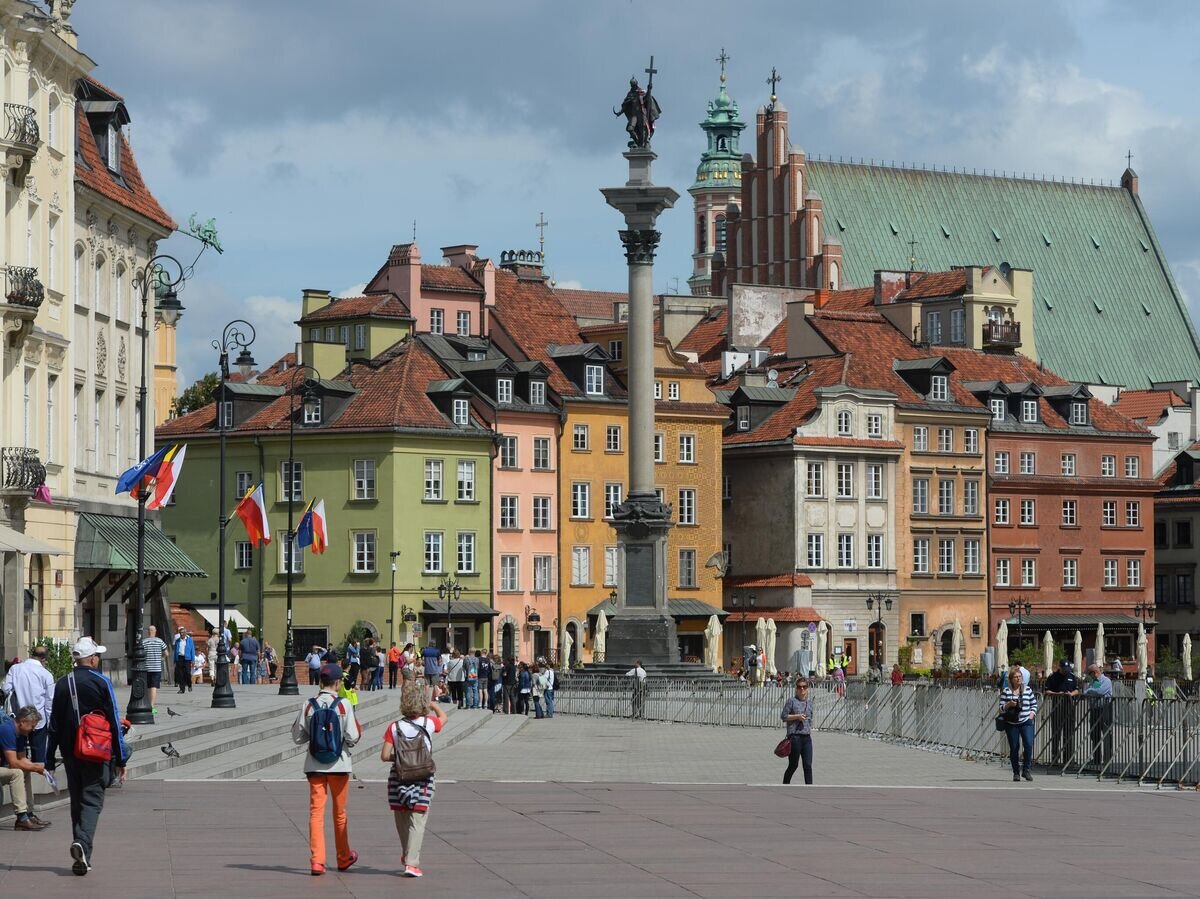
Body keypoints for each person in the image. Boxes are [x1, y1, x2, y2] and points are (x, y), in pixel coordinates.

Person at [45, 637, 130, 876]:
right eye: (97, 656)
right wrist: (121, 759)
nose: (98, 659)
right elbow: (113, 720)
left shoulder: (63, 683)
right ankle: (82, 844)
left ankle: (81, 856)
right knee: (92, 800)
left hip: (70, 752)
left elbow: (54, 725)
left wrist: (49, 761)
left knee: (77, 801)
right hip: (96, 751)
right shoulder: (101, 681)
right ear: (91, 658)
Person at [292, 662, 360, 876]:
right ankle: (343, 856)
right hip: (339, 765)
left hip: (314, 765)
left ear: (320, 681)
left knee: (316, 813)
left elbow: (297, 737)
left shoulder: (309, 705)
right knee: (340, 814)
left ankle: (317, 861)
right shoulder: (343, 705)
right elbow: (353, 737)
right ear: (338, 683)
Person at [381, 683, 448, 878]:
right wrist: (433, 703)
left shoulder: (394, 727)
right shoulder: (428, 723)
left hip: (399, 777)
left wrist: (402, 757)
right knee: (418, 819)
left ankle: (406, 855)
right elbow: (444, 718)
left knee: (401, 818)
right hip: (423, 776)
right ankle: (411, 863)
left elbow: (384, 756)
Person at [2, 645, 54, 821]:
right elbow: (50, 702)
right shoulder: (46, 675)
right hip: (37, 720)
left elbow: (6, 689)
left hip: (20, 714)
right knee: (27, 765)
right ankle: (25, 815)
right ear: (44, 659)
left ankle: (28, 813)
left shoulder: (16, 669)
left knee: (25, 765)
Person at [1, 705, 48, 830]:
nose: (33, 729)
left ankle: (29, 813)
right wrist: (35, 768)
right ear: (23, 722)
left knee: (25, 771)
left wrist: (37, 766)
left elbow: (22, 759)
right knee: (17, 773)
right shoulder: (7, 730)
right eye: (32, 726)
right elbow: (13, 763)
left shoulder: (21, 733)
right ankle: (21, 818)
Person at [998, 666, 1038, 782]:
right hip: (1012, 723)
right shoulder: (1006, 692)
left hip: (1026, 721)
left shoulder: (1027, 690)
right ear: (1011, 679)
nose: (1018, 679)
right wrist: (1008, 705)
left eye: (1020, 677)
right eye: (1016, 677)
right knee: (1014, 748)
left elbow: (1034, 704)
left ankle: (1026, 770)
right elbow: (1000, 709)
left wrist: (1032, 714)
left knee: (1029, 744)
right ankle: (1016, 772)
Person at [1044, 659, 1080, 767]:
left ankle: (1068, 758)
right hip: (1057, 707)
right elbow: (1046, 691)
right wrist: (1057, 694)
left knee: (1068, 733)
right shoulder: (1052, 677)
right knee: (1056, 733)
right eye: (1064, 669)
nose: (1065, 671)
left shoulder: (1072, 676)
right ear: (1059, 667)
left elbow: (1077, 690)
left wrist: (1071, 694)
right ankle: (1055, 757)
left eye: (1067, 669)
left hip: (1069, 707)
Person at [780, 678, 815, 785]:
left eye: (804, 687)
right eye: (799, 687)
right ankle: (785, 784)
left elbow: (811, 718)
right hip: (795, 737)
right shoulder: (791, 701)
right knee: (793, 765)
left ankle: (810, 788)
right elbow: (784, 716)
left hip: (806, 737)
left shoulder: (809, 703)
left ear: (807, 689)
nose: (802, 689)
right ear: (796, 689)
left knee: (808, 765)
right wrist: (797, 717)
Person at [1084, 662, 1114, 768]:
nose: (1089, 676)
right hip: (1095, 710)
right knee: (1095, 735)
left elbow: (1099, 692)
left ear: (1095, 672)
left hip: (1105, 709)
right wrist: (1090, 691)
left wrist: (1089, 690)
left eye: (1090, 674)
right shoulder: (1095, 681)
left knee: (1106, 734)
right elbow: (1090, 691)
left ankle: (1108, 759)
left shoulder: (1106, 681)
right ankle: (1096, 759)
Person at [139, 625, 168, 712]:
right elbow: (166, 653)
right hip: (156, 668)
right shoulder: (160, 641)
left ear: (148, 632)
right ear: (155, 631)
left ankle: (147, 704)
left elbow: (141, 653)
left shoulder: (144, 642)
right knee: (154, 686)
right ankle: (151, 706)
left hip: (146, 667)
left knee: (147, 686)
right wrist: (161, 656)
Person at [171, 626, 195, 694]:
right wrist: (175, 659)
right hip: (180, 658)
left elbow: (192, 650)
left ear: (185, 633)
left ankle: (189, 685)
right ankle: (182, 689)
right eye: (180, 633)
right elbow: (175, 650)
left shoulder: (189, 640)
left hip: (187, 658)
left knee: (187, 673)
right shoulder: (177, 641)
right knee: (180, 674)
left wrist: (193, 660)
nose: (182, 634)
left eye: (183, 633)